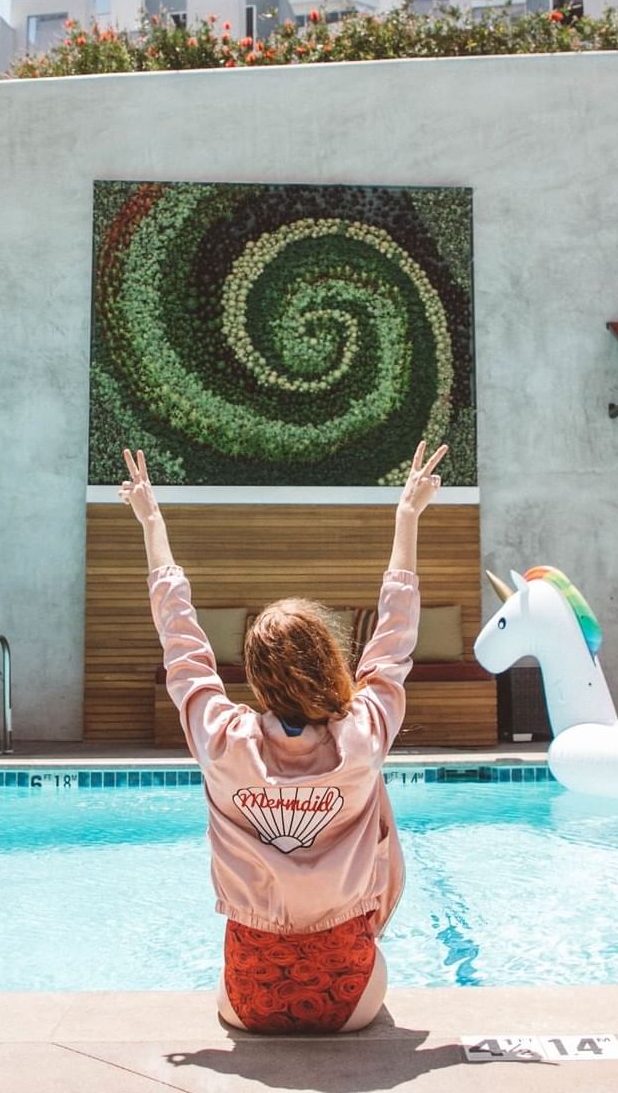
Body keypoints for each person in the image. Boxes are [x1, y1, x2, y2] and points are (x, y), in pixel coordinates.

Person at [118, 439, 449, 1034]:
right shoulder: (363, 735)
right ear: (329, 662)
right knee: (383, 988)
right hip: (348, 1000)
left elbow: (183, 647)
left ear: (255, 674)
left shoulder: (220, 737)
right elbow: (393, 645)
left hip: (249, 997)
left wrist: (152, 524)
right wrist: (408, 517)